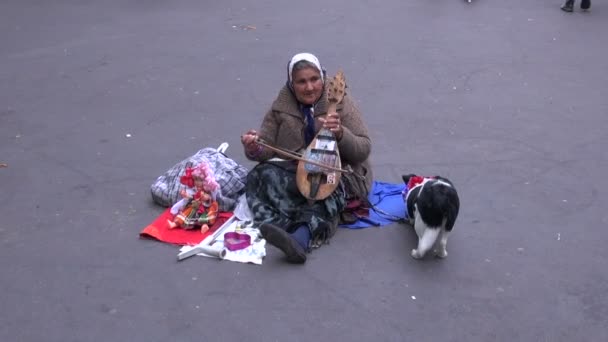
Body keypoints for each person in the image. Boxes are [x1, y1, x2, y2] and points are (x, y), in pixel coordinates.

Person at [240, 53, 373, 264]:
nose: (309, 87)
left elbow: (363, 149)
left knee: (324, 189)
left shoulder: (340, 101)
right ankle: (281, 227)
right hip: (296, 171)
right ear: (291, 84)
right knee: (257, 176)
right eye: (301, 81)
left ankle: (301, 238)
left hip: (340, 175)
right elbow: (266, 149)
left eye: (314, 79)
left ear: (323, 77)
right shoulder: (281, 106)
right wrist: (254, 146)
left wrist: (340, 134)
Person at [167, 162, 219, 233]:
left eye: (200, 180)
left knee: (204, 215)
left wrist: (205, 197)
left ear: (206, 181)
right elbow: (192, 197)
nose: (197, 182)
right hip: (195, 206)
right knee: (187, 212)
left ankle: (204, 225)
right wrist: (186, 195)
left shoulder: (207, 190)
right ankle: (175, 224)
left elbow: (209, 198)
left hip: (205, 207)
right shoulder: (195, 189)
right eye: (196, 180)